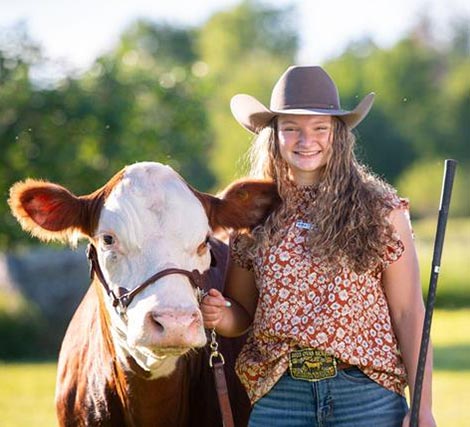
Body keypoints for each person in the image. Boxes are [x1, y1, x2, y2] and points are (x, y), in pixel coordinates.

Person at [202, 65, 436, 427]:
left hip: (366, 395)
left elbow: (409, 313)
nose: (305, 140)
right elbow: (242, 314)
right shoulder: (254, 214)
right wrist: (221, 315)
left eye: (319, 128)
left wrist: (422, 407)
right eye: (291, 128)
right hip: (281, 398)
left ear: (337, 135)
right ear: (274, 134)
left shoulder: (381, 209)